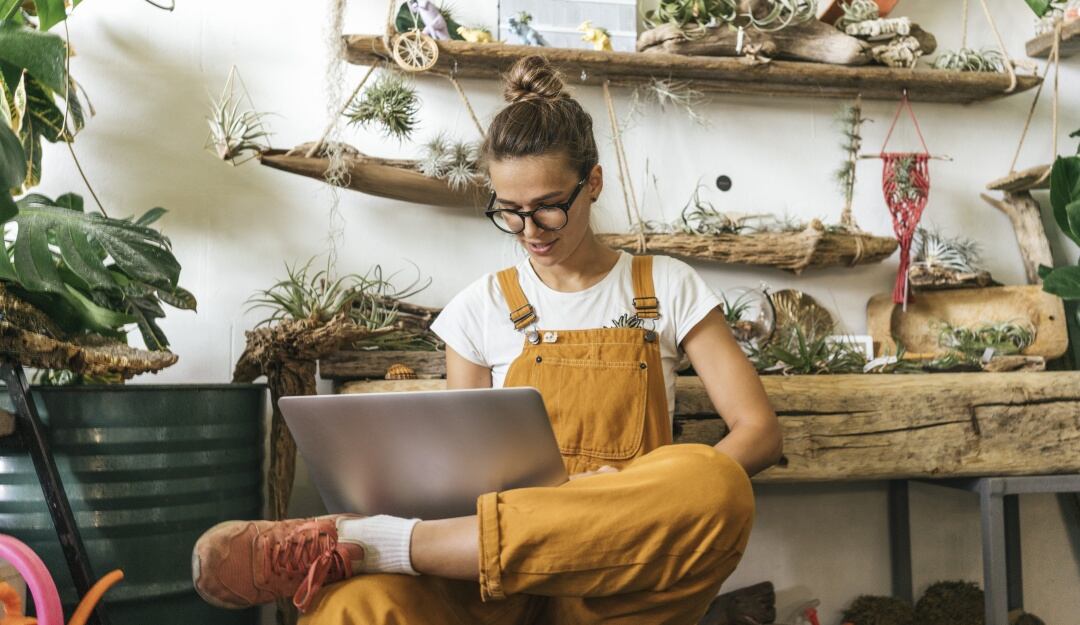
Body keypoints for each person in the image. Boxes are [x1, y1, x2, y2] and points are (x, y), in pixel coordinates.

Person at [191, 55, 782, 624]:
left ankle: (381, 543)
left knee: (717, 486)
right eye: (510, 211)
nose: (530, 232)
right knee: (350, 608)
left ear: (593, 182)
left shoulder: (667, 284)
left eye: (549, 208)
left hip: (618, 573)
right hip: (494, 585)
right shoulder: (479, 307)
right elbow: (461, 479)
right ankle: (390, 545)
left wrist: (620, 495)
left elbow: (758, 432)